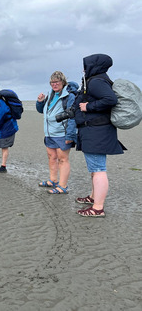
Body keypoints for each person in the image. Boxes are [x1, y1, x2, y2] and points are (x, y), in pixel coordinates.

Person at [73, 54, 125, 218]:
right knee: (95, 169)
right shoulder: (99, 79)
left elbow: (111, 99)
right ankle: (94, 197)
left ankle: (98, 208)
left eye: (85, 65)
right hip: (96, 131)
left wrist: (88, 106)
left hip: (96, 131)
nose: (83, 69)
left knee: (98, 169)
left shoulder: (95, 81)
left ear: (93, 66)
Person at [36, 71, 78, 194]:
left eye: (56, 82)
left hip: (62, 133)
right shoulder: (50, 94)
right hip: (49, 132)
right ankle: (53, 180)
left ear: (63, 82)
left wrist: (70, 135)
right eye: (52, 82)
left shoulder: (69, 96)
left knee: (63, 159)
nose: (54, 85)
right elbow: (42, 111)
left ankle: (63, 186)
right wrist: (40, 101)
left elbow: (72, 116)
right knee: (51, 157)